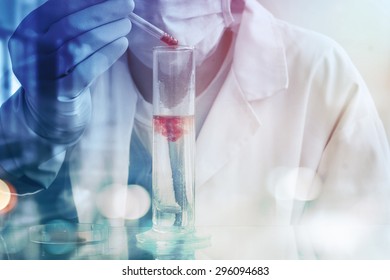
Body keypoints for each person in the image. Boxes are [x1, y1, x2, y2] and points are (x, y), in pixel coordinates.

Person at [1, 0, 390, 259]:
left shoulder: (321, 71)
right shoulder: (65, 72)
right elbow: (15, 223)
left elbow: (367, 250)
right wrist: (39, 119)